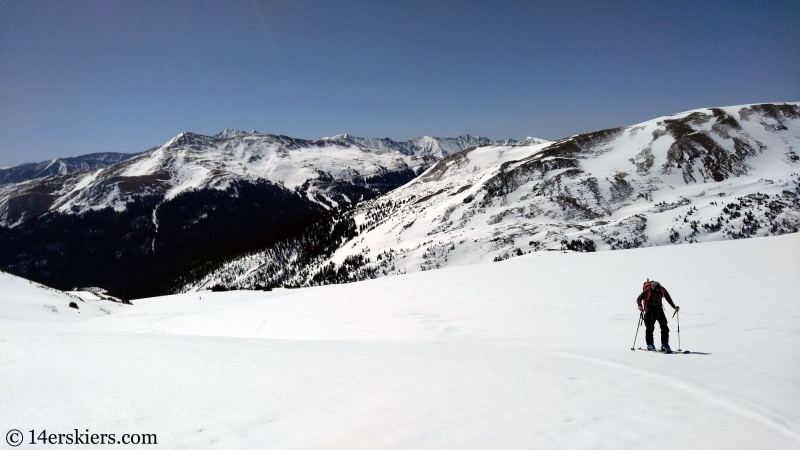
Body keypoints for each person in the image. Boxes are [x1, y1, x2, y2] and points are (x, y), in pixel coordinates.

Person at [636, 281, 680, 351]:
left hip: (659, 310)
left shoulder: (662, 289)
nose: (657, 291)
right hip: (649, 311)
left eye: (658, 290)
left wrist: (674, 306)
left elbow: (668, 298)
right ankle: (650, 344)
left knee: (664, 327)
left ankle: (664, 344)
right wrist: (639, 305)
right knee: (650, 329)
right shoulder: (648, 290)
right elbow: (639, 298)